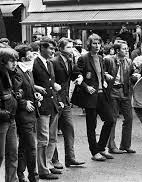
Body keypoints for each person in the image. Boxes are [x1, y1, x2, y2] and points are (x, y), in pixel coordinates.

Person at [71, 33, 114, 161]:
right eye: (94, 43)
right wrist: (85, 86)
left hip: (101, 94)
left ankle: (101, 147)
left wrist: (105, 77)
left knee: (110, 120)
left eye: (99, 43)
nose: (97, 46)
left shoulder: (101, 58)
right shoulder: (83, 58)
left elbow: (100, 72)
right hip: (90, 95)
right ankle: (94, 152)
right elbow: (76, 74)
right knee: (92, 125)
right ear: (89, 45)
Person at [51, 38, 85, 168]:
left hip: (65, 100)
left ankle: (70, 158)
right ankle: (54, 160)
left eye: (72, 47)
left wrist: (80, 77)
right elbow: (50, 80)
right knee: (53, 131)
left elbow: (75, 73)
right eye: (68, 47)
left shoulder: (70, 61)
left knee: (69, 129)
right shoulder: (54, 62)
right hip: (55, 100)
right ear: (60, 49)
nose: (71, 50)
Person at [32, 37, 62, 180]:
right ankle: (43, 169)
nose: (52, 51)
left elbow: (52, 82)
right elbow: (28, 81)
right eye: (50, 48)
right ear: (42, 48)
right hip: (42, 106)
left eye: (54, 49)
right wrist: (35, 87)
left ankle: (48, 164)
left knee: (52, 138)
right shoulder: (34, 63)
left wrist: (58, 99)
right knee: (43, 139)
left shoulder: (49, 63)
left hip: (52, 104)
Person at [13, 45, 42, 182]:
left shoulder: (27, 70)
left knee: (24, 146)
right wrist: (24, 103)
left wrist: (35, 94)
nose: (33, 58)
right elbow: (15, 92)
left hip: (30, 113)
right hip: (24, 114)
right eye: (30, 56)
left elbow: (27, 88)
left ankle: (20, 174)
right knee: (30, 146)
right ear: (23, 57)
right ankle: (32, 176)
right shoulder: (18, 71)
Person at [104, 41, 135, 154]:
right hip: (113, 91)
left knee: (129, 118)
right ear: (117, 51)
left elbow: (131, 74)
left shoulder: (129, 61)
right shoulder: (108, 60)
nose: (127, 51)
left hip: (125, 91)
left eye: (127, 48)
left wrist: (135, 76)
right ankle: (111, 146)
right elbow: (102, 72)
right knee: (112, 119)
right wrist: (106, 76)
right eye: (124, 49)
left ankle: (125, 145)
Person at [0, 46, 19, 182]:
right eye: (11, 61)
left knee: (13, 154)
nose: (15, 63)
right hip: (2, 120)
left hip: (10, 119)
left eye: (15, 60)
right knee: (0, 156)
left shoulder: (9, 75)